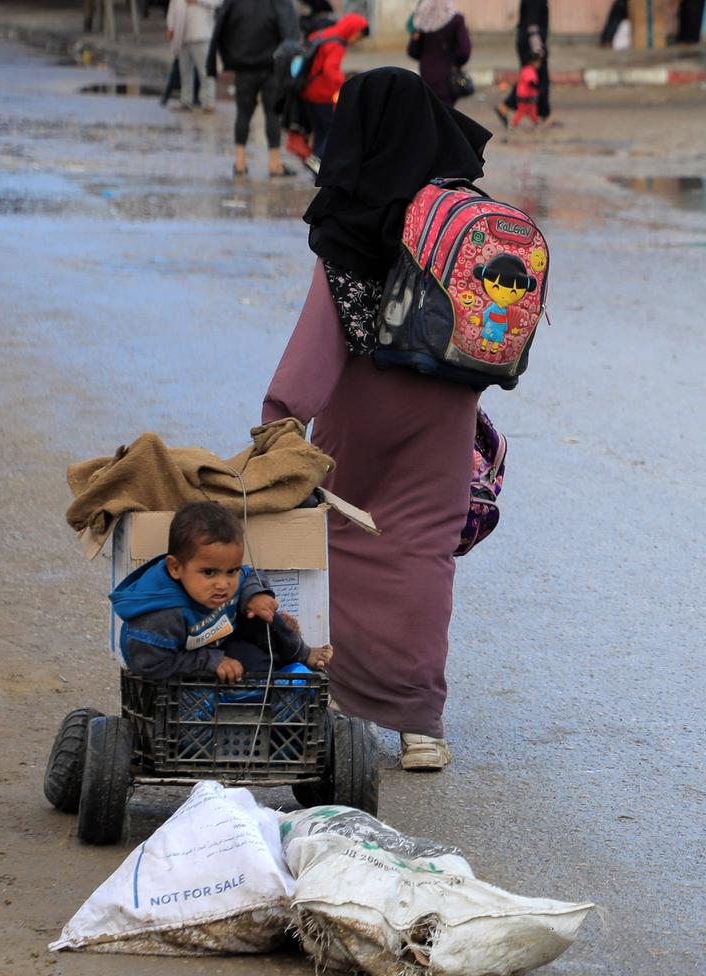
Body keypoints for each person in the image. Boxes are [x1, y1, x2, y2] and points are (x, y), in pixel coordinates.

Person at [262, 67, 494, 772]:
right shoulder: (458, 214)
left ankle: (336, 696)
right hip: (447, 408)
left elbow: (319, 334)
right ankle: (421, 725)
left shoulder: (350, 214)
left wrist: (281, 417)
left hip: (362, 402)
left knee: (345, 542)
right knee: (424, 554)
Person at [111, 501, 333, 682]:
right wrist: (211, 661)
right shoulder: (160, 617)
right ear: (176, 568)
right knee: (250, 673)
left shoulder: (226, 581)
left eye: (231, 571)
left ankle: (300, 655)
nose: (223, 584)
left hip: (222, 640)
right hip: (183, 666)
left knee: (263, 612)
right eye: (209, 573)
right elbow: (149, 666)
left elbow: (251, 574)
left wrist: (255, 594)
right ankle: (272, 684)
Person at [207, 0, 301, 178]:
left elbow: (221, 27)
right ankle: (275, 164)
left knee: (243, 113)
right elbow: (289, 32)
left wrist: (228, 56)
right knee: (273, 114)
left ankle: (240, 163)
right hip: (271, 67)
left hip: (244, 66)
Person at [301, 12, 369, 160]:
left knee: (319, 132)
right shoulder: (336, 43)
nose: (355, 41)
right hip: (321, 94)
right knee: (329, 134)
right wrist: (345, 85)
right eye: (358, 36)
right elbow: (330, 69)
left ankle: (318, 167)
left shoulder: (323, 34)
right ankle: (323, 168)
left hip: (307, 90)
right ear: (352, 29)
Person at [407, 0, 473, 108]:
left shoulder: (422, 20)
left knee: (429, 115)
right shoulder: (456, 19)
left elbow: (412, 51)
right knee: (446, 118)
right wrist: (455, 62)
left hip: (426, 76)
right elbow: (464, 51)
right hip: (447, 78)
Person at [497, 0, 552, 128]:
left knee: (533, 79)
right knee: (538, 80)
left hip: (529, 43)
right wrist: (538, 50)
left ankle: (543, 115)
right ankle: (544, 116)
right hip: (532, 45)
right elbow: (532, 26)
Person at [166, 0, 219, 113]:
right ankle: (186, 100)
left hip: (201, 34)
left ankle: (209, 101)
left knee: (205, 71)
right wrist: (171, 27)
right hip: (182, 35)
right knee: (185, 71)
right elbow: (173, 7)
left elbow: (218, 2)